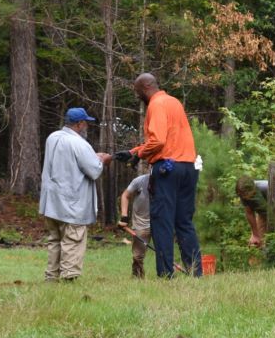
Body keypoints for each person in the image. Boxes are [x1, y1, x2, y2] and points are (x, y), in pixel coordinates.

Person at [115, 73, 202, 277]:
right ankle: (195, 273)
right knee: (184, 222)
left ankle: (165, 275)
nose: (138, 98)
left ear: (145, 88)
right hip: (188, 167)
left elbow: (158, 142)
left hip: (167, 169)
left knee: (162, 221)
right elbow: (169, 138)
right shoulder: (173, 102)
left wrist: (139, 153)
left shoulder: (155, 104)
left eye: (138, 93)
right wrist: (133, 152)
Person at [39, 108, 111, 281]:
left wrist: (93, 157)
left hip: (51, 202)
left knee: (55, 240)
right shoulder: (79, 143)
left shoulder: (53, 137)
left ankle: (52, 277)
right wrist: (101, 160)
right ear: (79, 124)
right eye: (85, 122)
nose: (86, 126)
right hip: (72, 203)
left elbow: (69, 161)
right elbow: (94, 171)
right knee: (73, 239)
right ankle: (68, 278)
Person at [235, 175, 275, 247]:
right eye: (241, 195)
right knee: (256, 242)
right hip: (264, 211)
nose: (244, 197)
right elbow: (249, 213)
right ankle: (262, 256)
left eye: (245, 195)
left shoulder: (265, 187)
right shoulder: (242, 193)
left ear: (252, 190)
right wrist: (255, 235)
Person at [119, 171, 151, 278]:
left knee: (164, 252)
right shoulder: (139, 181)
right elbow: (125, 195)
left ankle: (165, 275)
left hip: (160, 222)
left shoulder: (167, 181)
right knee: (138, 256)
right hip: (141, 223)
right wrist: (124, 216)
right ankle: (137, 277)